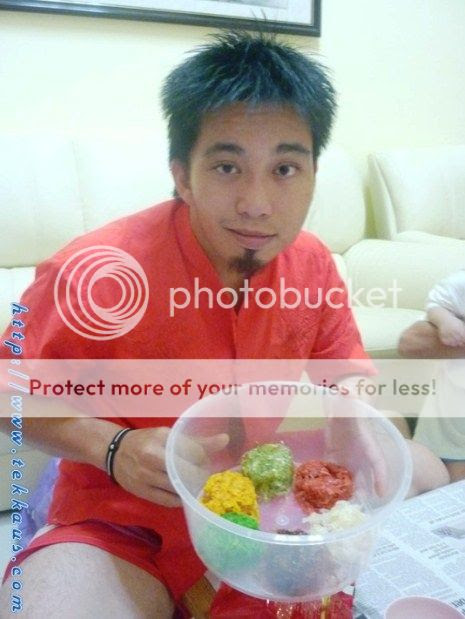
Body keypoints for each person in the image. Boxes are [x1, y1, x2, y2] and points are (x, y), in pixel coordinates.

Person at [0, 31, 449, 618]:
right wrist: (111, 448)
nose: (257, 203)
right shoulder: (96, 272)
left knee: (424, 468)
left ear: (313, 175)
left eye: (285, 168)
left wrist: (352, 415)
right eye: (227, 166)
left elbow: (342, 364)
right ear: (183, 176)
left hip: (270, 509)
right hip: (126, 516)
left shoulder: (313, 262)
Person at [399, 270, 465, 483]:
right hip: (452, 407)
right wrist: (446, 321)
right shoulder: (459, 285)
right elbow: (412, 342)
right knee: (451, 478)